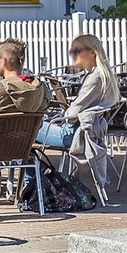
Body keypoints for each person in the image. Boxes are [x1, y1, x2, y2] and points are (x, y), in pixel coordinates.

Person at [40, 33, 119, 188]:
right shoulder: (104, 75)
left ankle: (33, 182)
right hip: (86, 132)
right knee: (25, 136)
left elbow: (72, 115)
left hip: (74, 134)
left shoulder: (96, 77)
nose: (74, 54)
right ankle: (38, 179)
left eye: (78, 50)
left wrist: (65, 112)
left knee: (24, 128)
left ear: (92, 52)